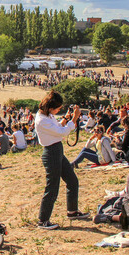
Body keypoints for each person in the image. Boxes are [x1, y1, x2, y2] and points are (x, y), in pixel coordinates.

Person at [34, 91, 90, 230]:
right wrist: (74, 119)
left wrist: (66, 119)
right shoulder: (42, 120)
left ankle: (72, 211)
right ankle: (43, 220)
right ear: (50, 107)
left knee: (72, 180)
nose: (59, 110)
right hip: (51, 152)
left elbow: (57, 127)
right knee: (52, 187)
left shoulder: (47, 115)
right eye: (58, 108)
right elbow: (62, 132)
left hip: (57, 150)